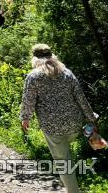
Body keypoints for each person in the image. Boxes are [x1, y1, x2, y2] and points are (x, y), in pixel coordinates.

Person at [20, 44, 98, 193]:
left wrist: (25, 118)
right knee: (66, 154)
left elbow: (28, 100)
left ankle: (73, 190)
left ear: (35, 58)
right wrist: (91, 118)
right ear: (52, 56)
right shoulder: (66, 73)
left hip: (52, 127)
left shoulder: (33, 76)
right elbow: (80, 97)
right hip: (74, 124)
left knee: (63, 161)